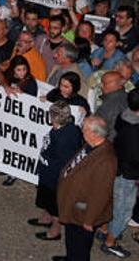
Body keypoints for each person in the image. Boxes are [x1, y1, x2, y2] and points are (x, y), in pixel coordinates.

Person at [53, 115, 117, 261]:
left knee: (80, 246)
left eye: (84, 129)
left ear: (94, 134)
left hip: (83, 213)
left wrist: (89, 220)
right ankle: (70, 258)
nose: (81, 131)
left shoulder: (106, 161)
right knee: (71, 240)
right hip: (73, 208)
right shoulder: (90, 145)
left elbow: (101, 195)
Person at [31, 101, 82, 242]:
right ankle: (46, 218)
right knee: (46, 198)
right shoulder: (65, 129)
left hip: (55, 178)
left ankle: (55, 231)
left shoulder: (65, 136)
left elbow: (65, 162)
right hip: (47, 173)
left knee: (55, 205)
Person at [100, 88, 139, 257]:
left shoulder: (123, 116)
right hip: (126, 175)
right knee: (123, 211)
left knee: (114, 203)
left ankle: (105, 229)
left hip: (117, 168)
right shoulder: (134, 132)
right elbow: (134, 158)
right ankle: (110, 242)